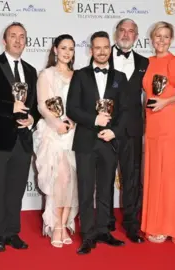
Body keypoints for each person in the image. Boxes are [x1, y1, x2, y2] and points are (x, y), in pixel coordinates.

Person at [0, 22, 40, 253]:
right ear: (4, 40)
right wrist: (10, 108)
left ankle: (13, 232)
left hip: (22, 141)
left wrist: (32, 118)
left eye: (22, 36)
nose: (18, 40)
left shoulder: (31, 71)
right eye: (13, 36)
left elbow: (34, 106)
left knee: (16, 190)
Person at [66, 31, 128, 255]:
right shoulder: (80, 75)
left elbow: (125, 110)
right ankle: (87, 235)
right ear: (91, 50)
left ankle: (103, 230)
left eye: (105, 47)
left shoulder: (120, 77)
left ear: (110, 49)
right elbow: (72, 108)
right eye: (97, 48)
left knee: (105, 189)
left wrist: (114, 131)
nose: (102, 51)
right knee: (85, 190)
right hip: (85, 141)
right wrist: (94, 120)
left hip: (109, 142)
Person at [92, 18, 149, 242]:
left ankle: (132, 224)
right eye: (122, 30)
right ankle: (105, 223)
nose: (126, 35)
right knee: (104, 177)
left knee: (132, 179)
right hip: (107, 128)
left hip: (132, 129)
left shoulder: (145, 62)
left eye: (131, 31)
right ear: (116, 33)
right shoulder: (101, 57)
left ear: (136, 36)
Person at [141, 21, 175, 244]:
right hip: (151, 122)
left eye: (165, 36)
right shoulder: (146, 63)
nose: (161, 40)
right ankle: (154, 223)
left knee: (169, 175)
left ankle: (169, 225)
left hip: (168, 121)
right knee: (154, 174)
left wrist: (165, 102)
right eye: (157, 36)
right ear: (151, 39)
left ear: (171, 39)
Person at [34, 34, 78, 248]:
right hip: (54, 133)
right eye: (63, 48)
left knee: (71, 180)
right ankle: (56, 225)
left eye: (71, 48)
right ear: (55, 50)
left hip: (74, 133)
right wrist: (57, 124)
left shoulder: (78, 75)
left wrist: (74, 122)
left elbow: (82, 105)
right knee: (59, 179)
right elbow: (42, 105)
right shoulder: (47, 74)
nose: (67, 52)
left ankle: (65, 221)